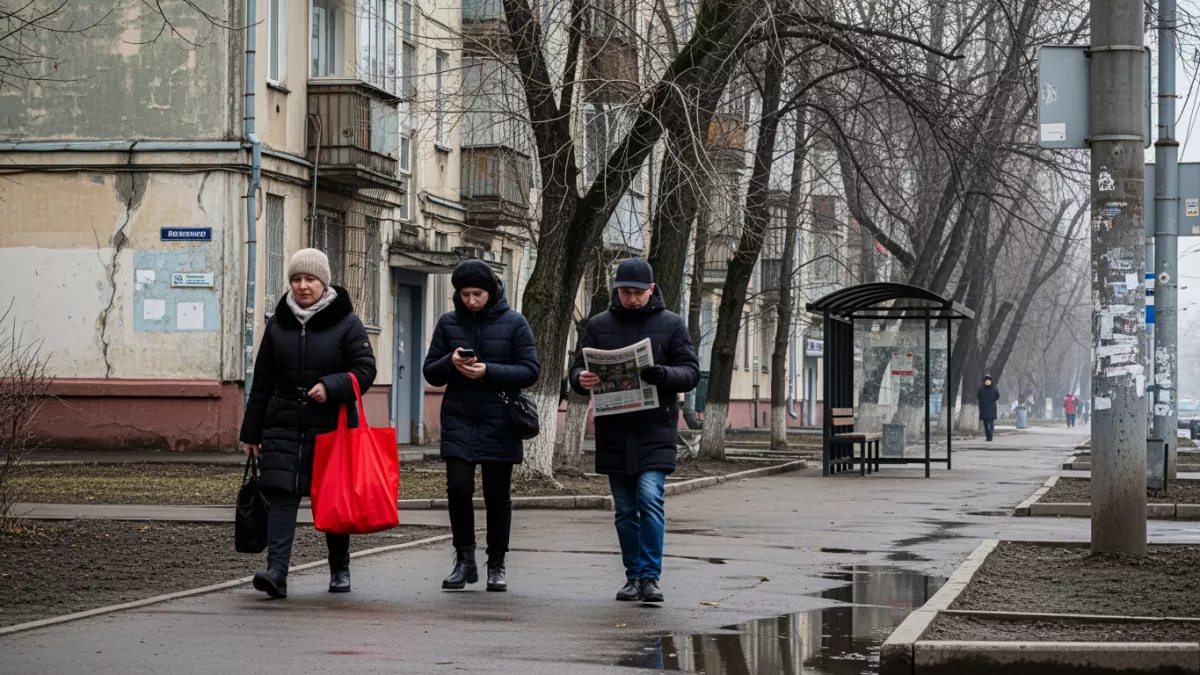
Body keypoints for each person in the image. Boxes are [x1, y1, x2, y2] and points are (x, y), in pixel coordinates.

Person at [240, 249, 377, 599]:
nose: (303, 286)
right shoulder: (278, 323)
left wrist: (331, 386)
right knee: (281, 496)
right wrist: (251, 433)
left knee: (332, 499)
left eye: (310, 279)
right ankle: (277, 572)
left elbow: (365, 371)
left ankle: (340, 568)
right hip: (283, 425)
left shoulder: (347, 323)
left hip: (331, 425)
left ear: (323, 282)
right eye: (296, 279)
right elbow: (263, 382)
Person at [569, 258, 700, 604]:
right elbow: (578, 367)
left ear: (651, 290)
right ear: (617, 291)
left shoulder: (671, 324)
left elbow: (690, 371)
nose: (631, 299)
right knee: (625, 508)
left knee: (649, 498)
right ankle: (632, 577)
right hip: (614, 429)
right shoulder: (599, 325)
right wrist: (579, 380)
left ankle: (650, 577)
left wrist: (663, 375)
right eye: (625, 292)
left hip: (655, 428)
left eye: (638, 293)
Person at [423, 259, 540, 593]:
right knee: (458, 488)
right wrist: (451, 362)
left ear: (492, 292)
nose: (471, 300)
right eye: (464, 294)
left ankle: (497, 563)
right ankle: (464, 560)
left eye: (477, 293)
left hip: (500, 419)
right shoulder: (448, 323)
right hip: (460, 417)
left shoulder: (515, 322)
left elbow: (531, 370)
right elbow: (431, 371)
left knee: (497, 495)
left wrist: (490, 371)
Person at [976, 374, 1000, 442]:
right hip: (984, 408)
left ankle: (990, 435)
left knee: (991, 423)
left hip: (990, 408)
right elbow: (978, 396)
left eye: (989, 379)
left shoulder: (994, 388)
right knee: (986, 424)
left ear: (991, 381)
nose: (988, 381)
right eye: (986, 380)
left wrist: (992, 400)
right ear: (984, 381)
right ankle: (988, 436)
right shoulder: (981, 388)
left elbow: (997, 396)